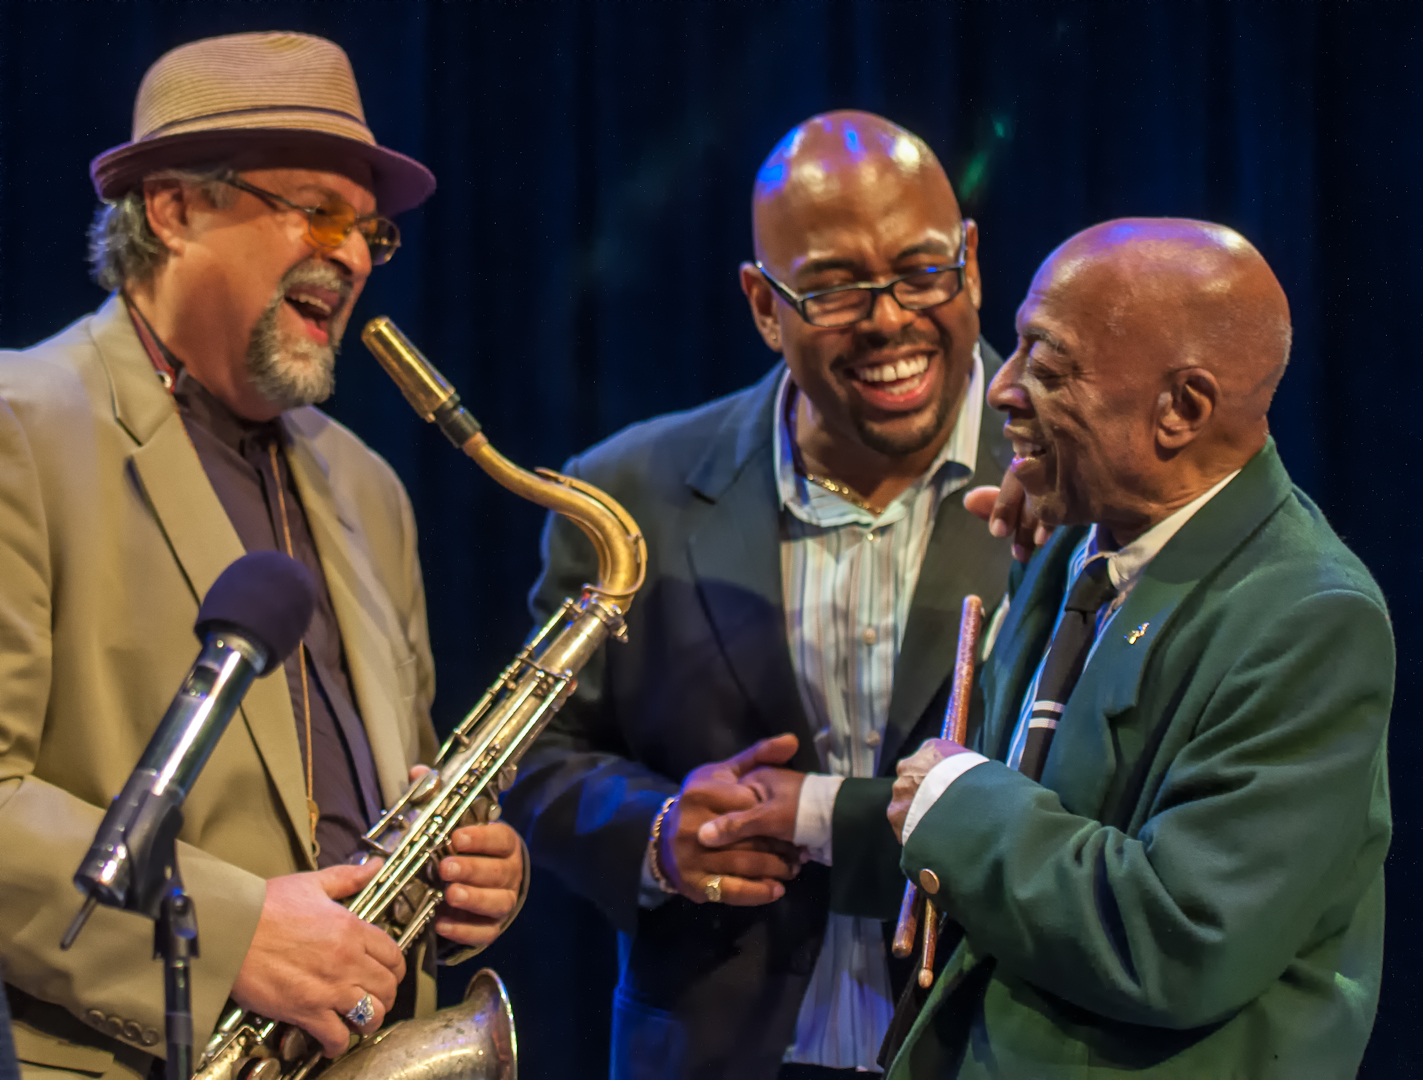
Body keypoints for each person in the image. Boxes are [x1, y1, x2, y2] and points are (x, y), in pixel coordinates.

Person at [0, 33, 525, 1079]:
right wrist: (234, 931)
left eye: (369, 227)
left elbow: (391, 785)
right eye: (317, 209)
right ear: (173, 207)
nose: (359, 253)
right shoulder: (21, 422)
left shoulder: (370, 486)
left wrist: (468, 877)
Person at [502, 111, 1016, 1079]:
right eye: (830, 287)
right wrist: (655, 834)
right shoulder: (627, 492)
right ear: (760, 306)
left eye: (921, 270)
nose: (890, 318)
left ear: (973, 263)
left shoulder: (1077, 489)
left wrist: (822, 816)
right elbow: (532, 757)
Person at [862, 219, 1388, 1077]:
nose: (1000, 390)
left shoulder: (1311, 618)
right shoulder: (1083, 540)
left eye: (1047, 364)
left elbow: (1178, 939)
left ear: (1179, 409)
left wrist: (954, 802)